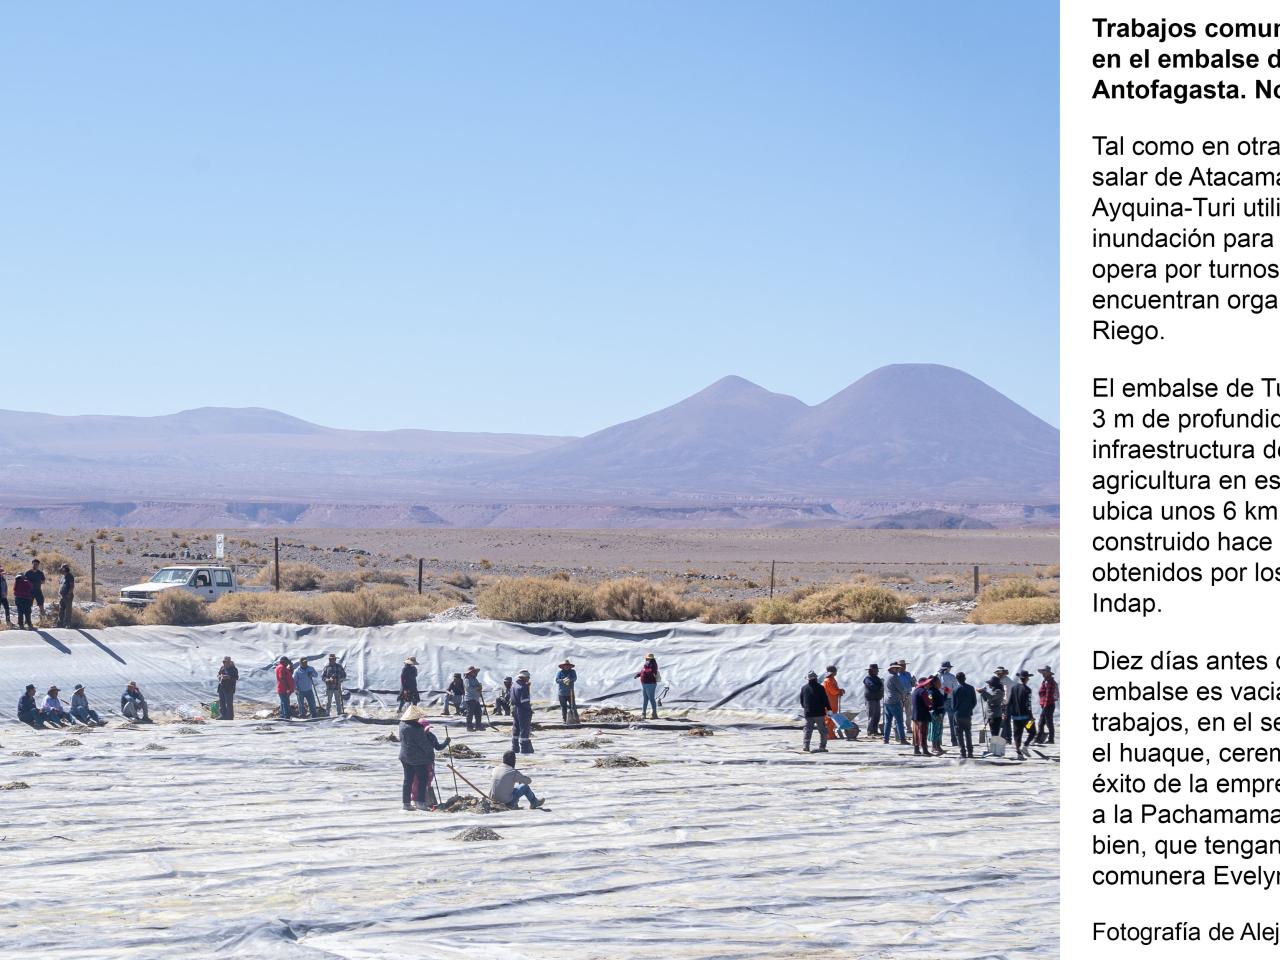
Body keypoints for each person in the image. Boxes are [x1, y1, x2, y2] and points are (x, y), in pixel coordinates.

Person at [398, 704, 449, 811]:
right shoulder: (416, 729)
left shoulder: (402, 725)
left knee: (408, 780)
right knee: (423, 779)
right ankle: (420, 802)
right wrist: (430, 757)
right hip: (418, 759)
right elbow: (425, 746)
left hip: (404, 756)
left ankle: (406, 804)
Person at [1007, 670, 1036, 759]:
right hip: (1026, 717)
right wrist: (1031, 717)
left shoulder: (1014, 688)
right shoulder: (1028, 690)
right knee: (1032, 732)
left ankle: (1019, 753)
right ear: (1027, 679)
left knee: (1017, 735)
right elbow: (1028, 705)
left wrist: (1008, 713)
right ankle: (1025, 746)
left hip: (1016, 717)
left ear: (1020, 678)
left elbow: (1010, 702)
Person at [800, 670, 830, 753]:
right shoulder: (820, 688)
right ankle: (822, 747)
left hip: (808, 713)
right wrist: (829, 709)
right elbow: (825, 700)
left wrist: (806, 709)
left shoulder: (804, 688)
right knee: (823, 731)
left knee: (808, 730)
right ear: (816, 678)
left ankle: (806, 746)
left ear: (808, 679)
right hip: (819, 713)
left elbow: (802, 702)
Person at [952, 671, 977, 759]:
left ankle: (963, 752)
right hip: (967, 713)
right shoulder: (971, 688)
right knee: (968, 733)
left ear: (957, 679)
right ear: (965, 678)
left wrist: (956, 710)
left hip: (958, 713)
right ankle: (970, 752)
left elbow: (953, 704)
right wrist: (969, 709)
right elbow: (974, 702)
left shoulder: (955, 689)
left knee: (959, 734)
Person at [882, 663, 908, 745]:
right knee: (899, 721)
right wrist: (905, 695)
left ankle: (885, 739)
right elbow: (901, 689)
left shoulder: (887, 676)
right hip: (895, 701)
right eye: (895, 668)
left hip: (887, 701)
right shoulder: (894, 677)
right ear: (891, 669)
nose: (897, 670)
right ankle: (902, 739)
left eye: (897, 668)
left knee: (888, 722)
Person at [510, 669, 534, 755]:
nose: (529, 679)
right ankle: (524, 749)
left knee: (516, 728)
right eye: (528, 677)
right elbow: (524, 701)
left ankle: (514, 748)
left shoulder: (514, 685)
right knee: (524, 729)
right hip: (522, 710)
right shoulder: (523, 687)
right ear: (525, 678)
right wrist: (529, 710)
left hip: (514, 709)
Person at [938, 660, 959, 747]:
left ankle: (938, 741)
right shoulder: (952, 677)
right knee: (952, 722)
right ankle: (954, 741)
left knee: (940, 722)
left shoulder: (937, 676)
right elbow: (955, 690)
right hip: (949, 700)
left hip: (940, 700)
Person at [910, 677, 933, 756]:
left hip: (915, 715)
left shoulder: (915, 691)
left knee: (916, 732)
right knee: (923, 732)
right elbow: (928, 704)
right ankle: (925, 749)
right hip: (922, 715)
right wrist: (931, 701)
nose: (929, 684)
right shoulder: (923, 692)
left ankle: (916, 749)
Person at [822, 665, 845, 740]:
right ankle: (829, 735)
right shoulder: (828, 680)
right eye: (835, 671)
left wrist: (839, 690)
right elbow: (833, 691)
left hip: (833, 702)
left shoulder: (831, 679)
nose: (836, 672)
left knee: (832, 719)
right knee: (830, 719)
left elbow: (835, 689)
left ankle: (831, 734)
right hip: (830, 703)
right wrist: (839, 691)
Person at [1037, 666, 1058, 744]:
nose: (1043, 674)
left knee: (1048, 722)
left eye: (1044, 672)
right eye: (1042, 672)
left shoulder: (1049, 682)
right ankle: (1040, 738)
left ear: (1048, 673)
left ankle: (1050, 739)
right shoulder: (1046, 681)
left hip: (1048, 704)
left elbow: (1049, 694)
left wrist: (1045, 705)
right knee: (1042, 722)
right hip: (1046, 704)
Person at [635, 653, 660, 720]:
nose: (646, 659)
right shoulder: (647, 664)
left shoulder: (653, 665)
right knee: (645, 699)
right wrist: (638, 675)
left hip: (650, 684)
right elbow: (643, 671)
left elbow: (650, 672)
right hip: (645, 684)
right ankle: (643, 713)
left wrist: (646, 668)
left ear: (650, 659)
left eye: (647, 658)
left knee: (651, 699)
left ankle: (654, 714)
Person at [980, 676, 1005, 742]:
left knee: (995, 733)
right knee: (993, 732)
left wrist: (984, 692)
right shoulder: (992, 691)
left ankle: (995, 747)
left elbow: (991, 698)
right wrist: (983, 693)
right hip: (991, 715)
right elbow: (986, 699)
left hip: (995, 715)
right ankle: (994, 746)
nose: (988, 685)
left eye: (990, 683)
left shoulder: (999, 691)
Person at [927, 676, 947, 756]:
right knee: (935, 730)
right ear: (934, 683)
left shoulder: (937, 691)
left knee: (939, 730)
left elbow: (942, 700)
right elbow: (931, 703)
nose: (940, 684)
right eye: (939, 682)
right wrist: (936, 712)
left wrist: (946, 694)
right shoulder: (931, 692)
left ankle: (938, 746)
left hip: (939, 712)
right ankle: (934, 747)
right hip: (936, 713)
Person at [863, 663, 883, 737]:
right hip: (870, 700)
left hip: (877, 699)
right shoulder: (867, 679)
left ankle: (875, 730)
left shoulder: (877, 678)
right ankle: (870, 731)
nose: (877, 671)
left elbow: (880, 685)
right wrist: (879, 686)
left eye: (877, 670)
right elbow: (872, 686)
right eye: (876, 670)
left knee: (877, 715)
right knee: (871, 715)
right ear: (871, 671)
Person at [463, 665, 484, 731]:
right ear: (470, 672)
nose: (475, 673)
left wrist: (480, 687)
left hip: (476, 698)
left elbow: (478, 686)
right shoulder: (467, 680)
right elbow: (469, 689)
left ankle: (478, 726)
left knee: (478, 712)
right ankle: (469, 727)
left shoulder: (475, 679)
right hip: (470, 699)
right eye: (473, 672)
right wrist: (477, 688)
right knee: (470, 713)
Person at [56, 564, 75, 628]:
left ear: (65, 569)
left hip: (68, 596)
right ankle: (59, 624)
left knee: (68, 610)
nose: (60, 569)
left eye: (62, 568)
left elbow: (72, 586)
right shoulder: (62, 577)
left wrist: (69, 594)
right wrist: (59, 594)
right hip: (61, 596)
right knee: (61, 610)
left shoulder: (70, 576)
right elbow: (61, 586)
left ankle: (68, 624)